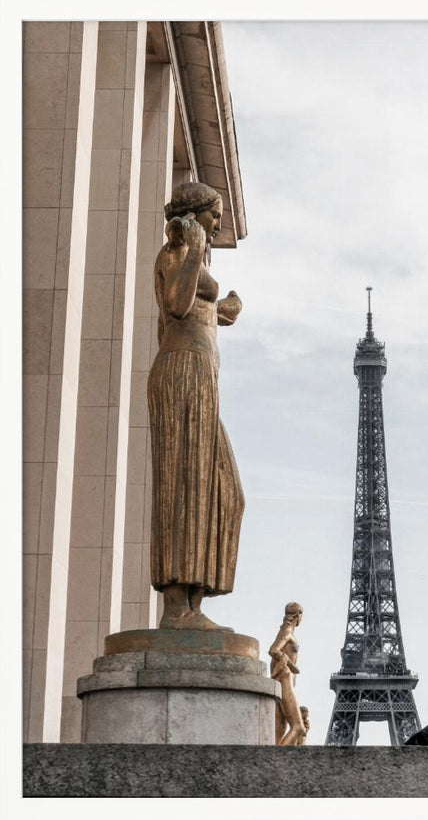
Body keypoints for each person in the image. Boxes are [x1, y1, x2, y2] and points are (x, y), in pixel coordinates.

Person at [147, 181, 244, 630]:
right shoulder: (176, 252)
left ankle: (194, 600)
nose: (219, 221)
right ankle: (177, 608)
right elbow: (178, 305)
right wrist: (193, 250)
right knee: (184, 485)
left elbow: (201, 311)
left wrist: (224, 308)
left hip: (201, 376)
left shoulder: (192, 256)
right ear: (195, 213)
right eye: (214, 213)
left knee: (223, 492)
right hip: (181, 372)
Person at [269, 602, 306, 745]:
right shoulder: (287, 632)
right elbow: (273, 650)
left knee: (279, 729)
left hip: (285, 679)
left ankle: (275, 758)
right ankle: (279, 759)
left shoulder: (287, 631)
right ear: (298, 615)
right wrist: (293, 666)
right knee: (298, 727)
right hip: (285, 678)